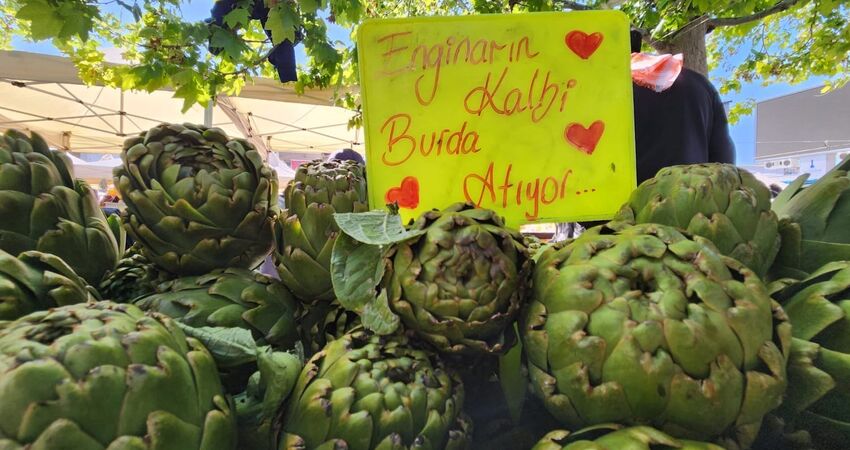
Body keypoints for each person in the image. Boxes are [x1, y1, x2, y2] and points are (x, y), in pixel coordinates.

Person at [630, 30, 735, 183]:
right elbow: (725, 163)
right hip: (695, 198)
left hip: (620, 202)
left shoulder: (603, 90)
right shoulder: (699, 84)